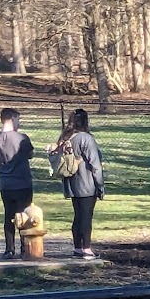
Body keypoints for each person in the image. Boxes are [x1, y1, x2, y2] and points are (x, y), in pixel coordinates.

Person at [51, 108, 104, 258]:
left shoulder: (66, 138)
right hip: (87, 184)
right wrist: (100, 184)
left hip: (72, 184)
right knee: (86, 216)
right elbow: (95, 164)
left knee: (78, 216)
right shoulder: (86, 139)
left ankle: (77, 247)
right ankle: (86, 248)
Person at [0, 107, 34, 258]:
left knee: (9, 215)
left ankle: (9, 249)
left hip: (6, 183)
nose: (19, 122)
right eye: (18, 119)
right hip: (22, 182)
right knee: (24, 216)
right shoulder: (22, 138)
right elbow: (30, 154)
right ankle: (25, 248)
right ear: (11, 119)